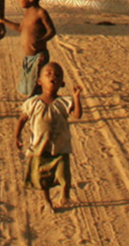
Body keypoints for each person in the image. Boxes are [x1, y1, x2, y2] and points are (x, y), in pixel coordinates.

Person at [13, 62, 84, 211]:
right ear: (39, 81)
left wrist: (76, 98)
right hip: (40, 148)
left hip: (60, 148)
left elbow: (77, 115)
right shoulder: (32, 103)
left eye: (58, 75)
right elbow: (22, 119)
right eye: (49, 74)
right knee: (42, 178)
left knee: (64, 175)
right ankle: (47, 201)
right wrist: (17, 136)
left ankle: (65, 194)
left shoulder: (65, 102)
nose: (53, 77)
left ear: (62, 83)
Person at [0, 0, 56, 100]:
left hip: (39, 56)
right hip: (29, 58)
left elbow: (52, 31)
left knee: (37, 84)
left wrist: (42, 40)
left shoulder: (40, 13)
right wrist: (4, 21)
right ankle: (34, 104)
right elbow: (21, 28)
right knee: (29, 84)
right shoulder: (27, 12)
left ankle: (37, 105)